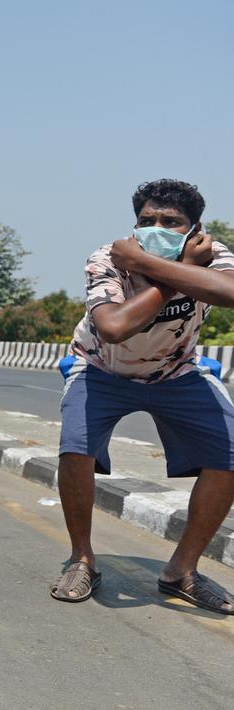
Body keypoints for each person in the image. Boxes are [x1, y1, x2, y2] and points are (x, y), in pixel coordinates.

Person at [51, 179, 234, 614]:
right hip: (100, 366)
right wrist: (176, 275)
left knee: (229, 453)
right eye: (146, 220)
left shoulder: (213, 253)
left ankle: (181, 572)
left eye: (171, 222)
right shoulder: (110, 258)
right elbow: (113, 326)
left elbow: (229, 293)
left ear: (194, 229)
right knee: (75, 449)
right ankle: (82, 560)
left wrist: (165, 267)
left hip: (175, 369)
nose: (156, 228)